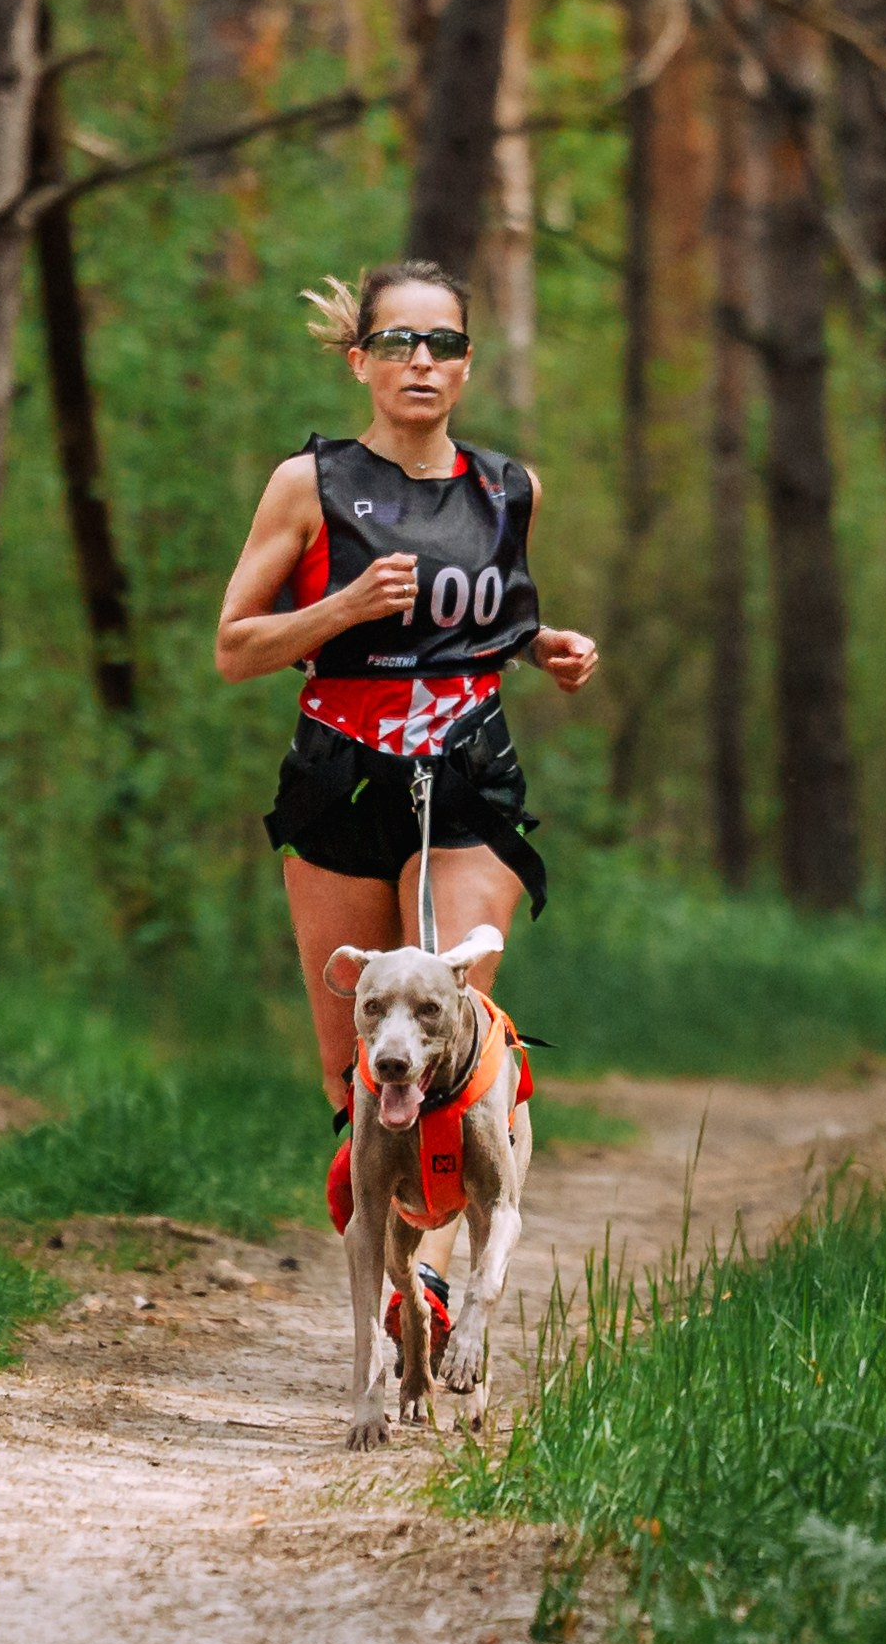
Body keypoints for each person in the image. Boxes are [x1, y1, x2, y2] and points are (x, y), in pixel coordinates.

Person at [214, 257, 599, 1168]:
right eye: (396, 341)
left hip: (467, 776)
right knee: (354, 1061)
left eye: (443, 343)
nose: (420, 360)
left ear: (465, 365)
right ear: (360, 361)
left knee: (442, 1028)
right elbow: (234, 648)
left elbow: (488, 622)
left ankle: (429, 1272)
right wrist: (340, 609)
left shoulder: (509, 489)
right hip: (342, 776)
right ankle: (392, 1258)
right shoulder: (306, 484)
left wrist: (545, 646)